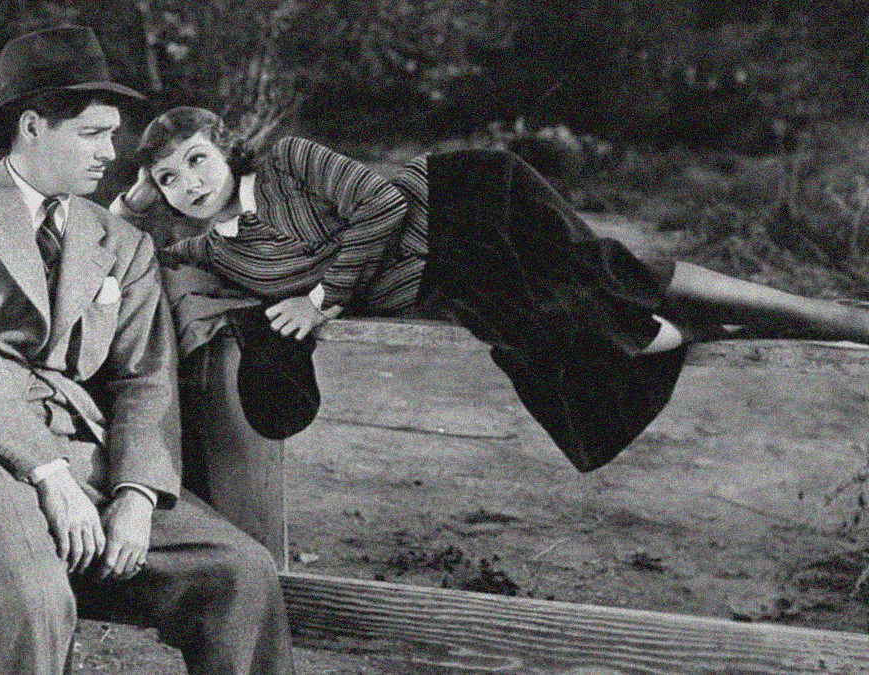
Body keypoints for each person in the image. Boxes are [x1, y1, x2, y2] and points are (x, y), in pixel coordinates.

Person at [112, 105, 869, 473]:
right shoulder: (212, 248)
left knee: (594, 306)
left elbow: (381, 208)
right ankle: (797, 319)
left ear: (228, 149)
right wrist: (129, 200)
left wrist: (319, 301)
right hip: (452, 271)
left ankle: (807, 318)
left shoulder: (286, 160)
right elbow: (120, 242)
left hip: (470, 198)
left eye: (197, 159)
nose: (189, 183)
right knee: (604, 295)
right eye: (170, 178)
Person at [0, 33, 294, 675]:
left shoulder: (121, 242)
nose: (111, 153)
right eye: (93, 134)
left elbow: (145, 379)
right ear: (33, 127)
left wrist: (137, 495)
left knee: (241, 573)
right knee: (35, 602)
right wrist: (50, 474)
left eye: (112, 134)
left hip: (85, 453)